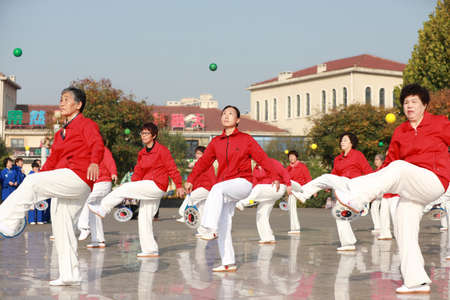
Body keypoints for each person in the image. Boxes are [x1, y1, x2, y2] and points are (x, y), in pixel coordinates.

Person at [295, 84, 450, 294]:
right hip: (409, 187)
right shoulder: (400, 132)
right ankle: (416, 280)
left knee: (399, 167)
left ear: (424, 105)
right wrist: (377, 182)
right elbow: (387, 165)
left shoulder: (440, 123)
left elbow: (395, 167)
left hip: (434, 179)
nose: (409, 106)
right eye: (406, 102)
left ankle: (356, 197)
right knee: (403, 228)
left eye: (414, 102)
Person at [0, 86, 104, 286]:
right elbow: (52, 162)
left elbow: (97, 144)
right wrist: (40, 176)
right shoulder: (60, 134)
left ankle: (6, 220)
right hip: (66, 181)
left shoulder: (86, 124)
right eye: (61, 99)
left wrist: (94, 161)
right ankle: (70, 274)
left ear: (78, 104)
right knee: (62, 226)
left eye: (66, 99)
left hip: (79, 176)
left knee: (32, 182)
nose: (61, 103)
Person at [184, 105, 291, 272]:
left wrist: (276, 176)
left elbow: (263, 159)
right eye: (224, 114)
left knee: (216, 189)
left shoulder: (246, 139)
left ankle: (209, 227)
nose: (226, 116)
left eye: (230, 114)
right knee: (224, 222)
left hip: (243, 183)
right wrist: (191, 179)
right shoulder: (215, 142)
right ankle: (228, 262)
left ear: (238, 120)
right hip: (225, 187)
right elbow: (203, 163)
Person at [88, 122, 184, 258]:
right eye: (142, 133)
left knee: (124, 187)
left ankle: (103, 208)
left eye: (147, 133)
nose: (143, 136)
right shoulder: (142, 153)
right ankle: (150, 249)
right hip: (146, 186)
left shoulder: (162, 150)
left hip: (157, 185)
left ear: (154, 135)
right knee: (144, 218)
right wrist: (132, 189)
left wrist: (179, 185)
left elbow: (172, 168)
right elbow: (138, 172)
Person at [235, 158, 291, 244]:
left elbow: (284, 172)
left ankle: (242, 203)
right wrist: (252, 198)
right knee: (261, 214)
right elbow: (254, 184)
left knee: (258, 188)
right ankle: (268, 238)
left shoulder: (272, 162)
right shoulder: (256, 169)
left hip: (277, 187)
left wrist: (288, 185)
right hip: (266, 193)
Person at [78, 146, 118, 248]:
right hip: (94, 184)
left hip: (103, 182)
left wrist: (113, 173)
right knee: (93, 211)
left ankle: (84, 227)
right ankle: (98, 240)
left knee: (87, 202)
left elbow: (110, 161)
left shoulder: (102, 149)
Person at [177, 146, 216, 225]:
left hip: (206, 188)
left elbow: (212, 177)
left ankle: (185, 215)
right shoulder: (198, 164)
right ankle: (203, 231)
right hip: (202, 188)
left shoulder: (207, 164)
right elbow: (195, 178)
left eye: (200, 154)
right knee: (201, 209)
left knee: (191, 198)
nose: (198, 155)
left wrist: (215, 189)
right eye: (197, 154)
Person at [286, 150, 312, 235]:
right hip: (293, 190)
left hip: (301, 187)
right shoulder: (288, 168)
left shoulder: (302, 166)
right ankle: (294, 228)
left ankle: (301, 196)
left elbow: (308, 177)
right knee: (291, 207)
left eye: (293, 156)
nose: (291, 158)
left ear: (296, 157)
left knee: (290, 182)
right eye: (290, 157)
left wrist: (312, 190)